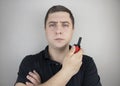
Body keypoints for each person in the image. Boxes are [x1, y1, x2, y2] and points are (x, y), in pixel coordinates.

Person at [15, 5, 102, 86]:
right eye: (52, 25)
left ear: (73, 30)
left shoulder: (87, 63)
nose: (58, 31)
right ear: (45, 29)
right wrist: (67, 71)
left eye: (65, 25)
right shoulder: (29, 62)